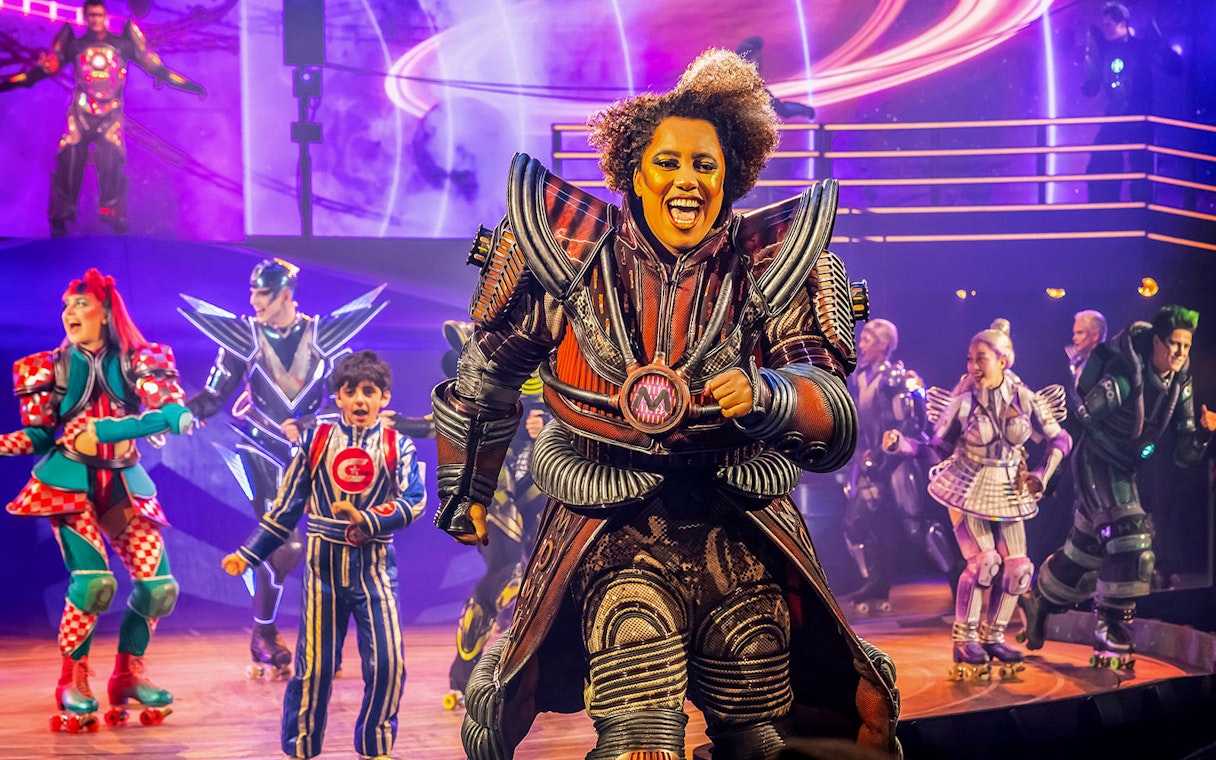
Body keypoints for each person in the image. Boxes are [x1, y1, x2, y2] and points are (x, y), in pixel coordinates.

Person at [433, 48, 899, 759]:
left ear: (732, 174)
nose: (688, 181)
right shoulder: (563, 258)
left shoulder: (776, 265)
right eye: (669, 162)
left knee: (765, 740)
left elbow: (833, 415)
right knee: (638, 740)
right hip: (610, 533)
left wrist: (771, 397)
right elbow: (486, 376)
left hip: (743, 529)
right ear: (633, 171)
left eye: (705, 165)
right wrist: (466, 488)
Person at [0, 268, 194, 729]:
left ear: (106, 312)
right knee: (94, 584)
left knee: (158, 588)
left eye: (81, 304)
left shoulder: (140, 360)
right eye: (67, 306)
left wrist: (112, 430)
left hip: (123, 483)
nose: (70, 312)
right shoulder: (46, 367)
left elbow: (171, 414)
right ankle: (74, 678)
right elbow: (39, 436)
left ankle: (128, 674)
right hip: (70, 485)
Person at [180, 259, 388, 678]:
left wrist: (314, 423)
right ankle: (264, 631)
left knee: (337, 546)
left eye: (262, 293)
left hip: (316, 451)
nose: (253, 301)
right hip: (262, 449)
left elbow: (351, 398)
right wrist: (175, 416)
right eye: (253, 292)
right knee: (288, 544)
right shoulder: (245, 339)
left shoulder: (324, 338)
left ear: (286, 296)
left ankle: (326, 641)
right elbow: (213, 396)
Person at [221, 350, 426, 760]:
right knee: (313, 670)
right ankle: (300, 747)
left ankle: (376, 745)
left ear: (384, 397)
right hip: (324, 574)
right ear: (339, 398)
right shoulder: (315, 444)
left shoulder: (397, 446)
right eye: (351, 392)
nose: (360, 401)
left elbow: (415, 500)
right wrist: (249, 553)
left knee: (388, 665)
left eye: (369, 392)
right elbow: (285, 510)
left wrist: (366, 518)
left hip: (375, 571)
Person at [1021, 305, 1214, 668]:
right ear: (1157, 341)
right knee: (1131, 537)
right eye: (1174, 344)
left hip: (1125, 469)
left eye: (1186, 347)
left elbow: (1184, 455)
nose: (1180, 354)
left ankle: (1039, 601)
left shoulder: (1179, 384)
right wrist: (1052, 474)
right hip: (1095, 461)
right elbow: (1079, 422)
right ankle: (1110, 627)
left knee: (1085, 554)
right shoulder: (1126, 377)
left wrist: (1203, 435)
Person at [885, 320, 1072, 677]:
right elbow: (936, 448)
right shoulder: (963, 400)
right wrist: (903, 445)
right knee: (984, 562)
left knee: (1019, 570)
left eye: (981, 358)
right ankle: (964, 637)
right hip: (966, 485)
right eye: (970, 358)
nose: (973, 366)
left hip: (1009, 486)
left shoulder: (1024, 397)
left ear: (1003, 361)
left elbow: (1060, 440)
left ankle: (994, 636)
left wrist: (1041, 475)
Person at [0, 0, 205, 236]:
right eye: (91, 15)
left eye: (99, 15)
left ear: (105, 17)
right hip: (81, 111)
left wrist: (190, 86)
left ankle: (113, 215)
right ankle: (61, 216)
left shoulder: (122, 43)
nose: (95, 20)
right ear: (86, 18)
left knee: (112, 160)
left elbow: (157, 69)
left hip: (110, 112)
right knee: (70, 156)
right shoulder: (75, 44)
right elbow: (39, 72)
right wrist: (7, 83)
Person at [443, 320, 549, 709]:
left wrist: (545, 424)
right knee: (506, 570)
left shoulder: (549, 341)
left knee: (537, 580)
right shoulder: (483, 357)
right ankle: (464, 670)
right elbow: (454, 417)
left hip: (537, 480)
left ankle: (532, 673)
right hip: (495, 480)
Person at [841, 318, 952, 614]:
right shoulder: (856, 377)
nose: (860, 344)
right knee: (855, 522)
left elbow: (911, 424)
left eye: (866, 339)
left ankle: (954, 574)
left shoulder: (899, 379)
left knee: (916, 529)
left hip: (899, 461)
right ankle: (874, 580)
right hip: (867, 459)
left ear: (883, 344)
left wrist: (885, 452)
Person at [1082, 2, 1182, 203]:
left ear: (1123, 24)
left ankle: (1141, 212)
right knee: (1102, 162)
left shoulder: (1141, 48)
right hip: (1115, 116)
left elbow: (1174, 67)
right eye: (1104, 25)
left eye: (1109, 25)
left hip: (1139, 116)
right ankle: (1105, 211)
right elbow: (1091, 87)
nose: (1106, 29)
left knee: (1141, 168)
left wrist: (1158, 40)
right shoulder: (1104, 49)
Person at [1068, 310, 1108, 390]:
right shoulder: (1079, 365)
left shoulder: (1106, 364)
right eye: (1074, 333)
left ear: (1095, 335)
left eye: (1080, 333)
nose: (1074, 338)